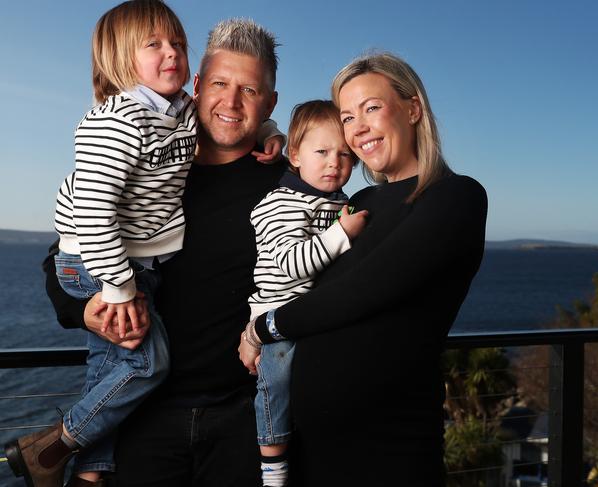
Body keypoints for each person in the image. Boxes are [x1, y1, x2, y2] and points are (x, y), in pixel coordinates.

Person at [36, 13, 286, 487]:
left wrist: (275, 135)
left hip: (240, 420)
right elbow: (63, 257)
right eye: (219, 83)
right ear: (197, 84)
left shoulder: (290, 184)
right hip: (144, 419)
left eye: (250, 91)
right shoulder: (150, 164)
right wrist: (83, 309)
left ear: (270, 100)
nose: (230, 102)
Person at [238, 52, 488, 487]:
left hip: (387, 448)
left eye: (372, 108)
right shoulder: (358, 205)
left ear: (413, 109)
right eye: (348, 117)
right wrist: (270, 133)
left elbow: (362, 291)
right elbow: (295, 215)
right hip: (310, 447)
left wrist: (262, 328)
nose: (358, 129)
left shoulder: (456, 196)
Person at [243, 100, 368, 487]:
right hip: (277, 314)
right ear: (294, 155)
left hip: (313, 318)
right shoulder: (284, 203)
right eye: (322, 152)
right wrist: (341, 234)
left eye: (345, 154)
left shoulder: (335, 203)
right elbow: (294, 264)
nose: (335, 162)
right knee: (276, 380)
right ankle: (272, 460)